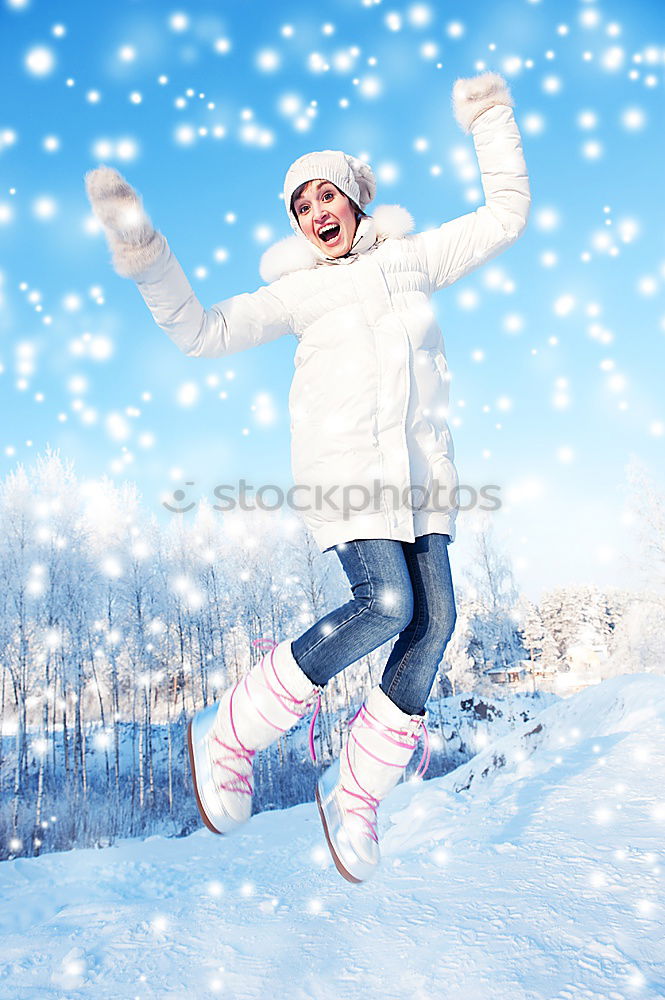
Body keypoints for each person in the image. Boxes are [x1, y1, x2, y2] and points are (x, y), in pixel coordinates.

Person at [84, 70, 530, 883]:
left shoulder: (413, 261)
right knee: (386, 603)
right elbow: (202, 331)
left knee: (432, 625)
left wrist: (489, 119)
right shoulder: (296, 295)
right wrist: (148, 256)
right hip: (346, 472)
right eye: (300, 205)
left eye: (326, 195)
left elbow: (505, 215)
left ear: (357, 198)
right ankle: (231, 732)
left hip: (423, 478)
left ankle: (354, 797)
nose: (316, 212)